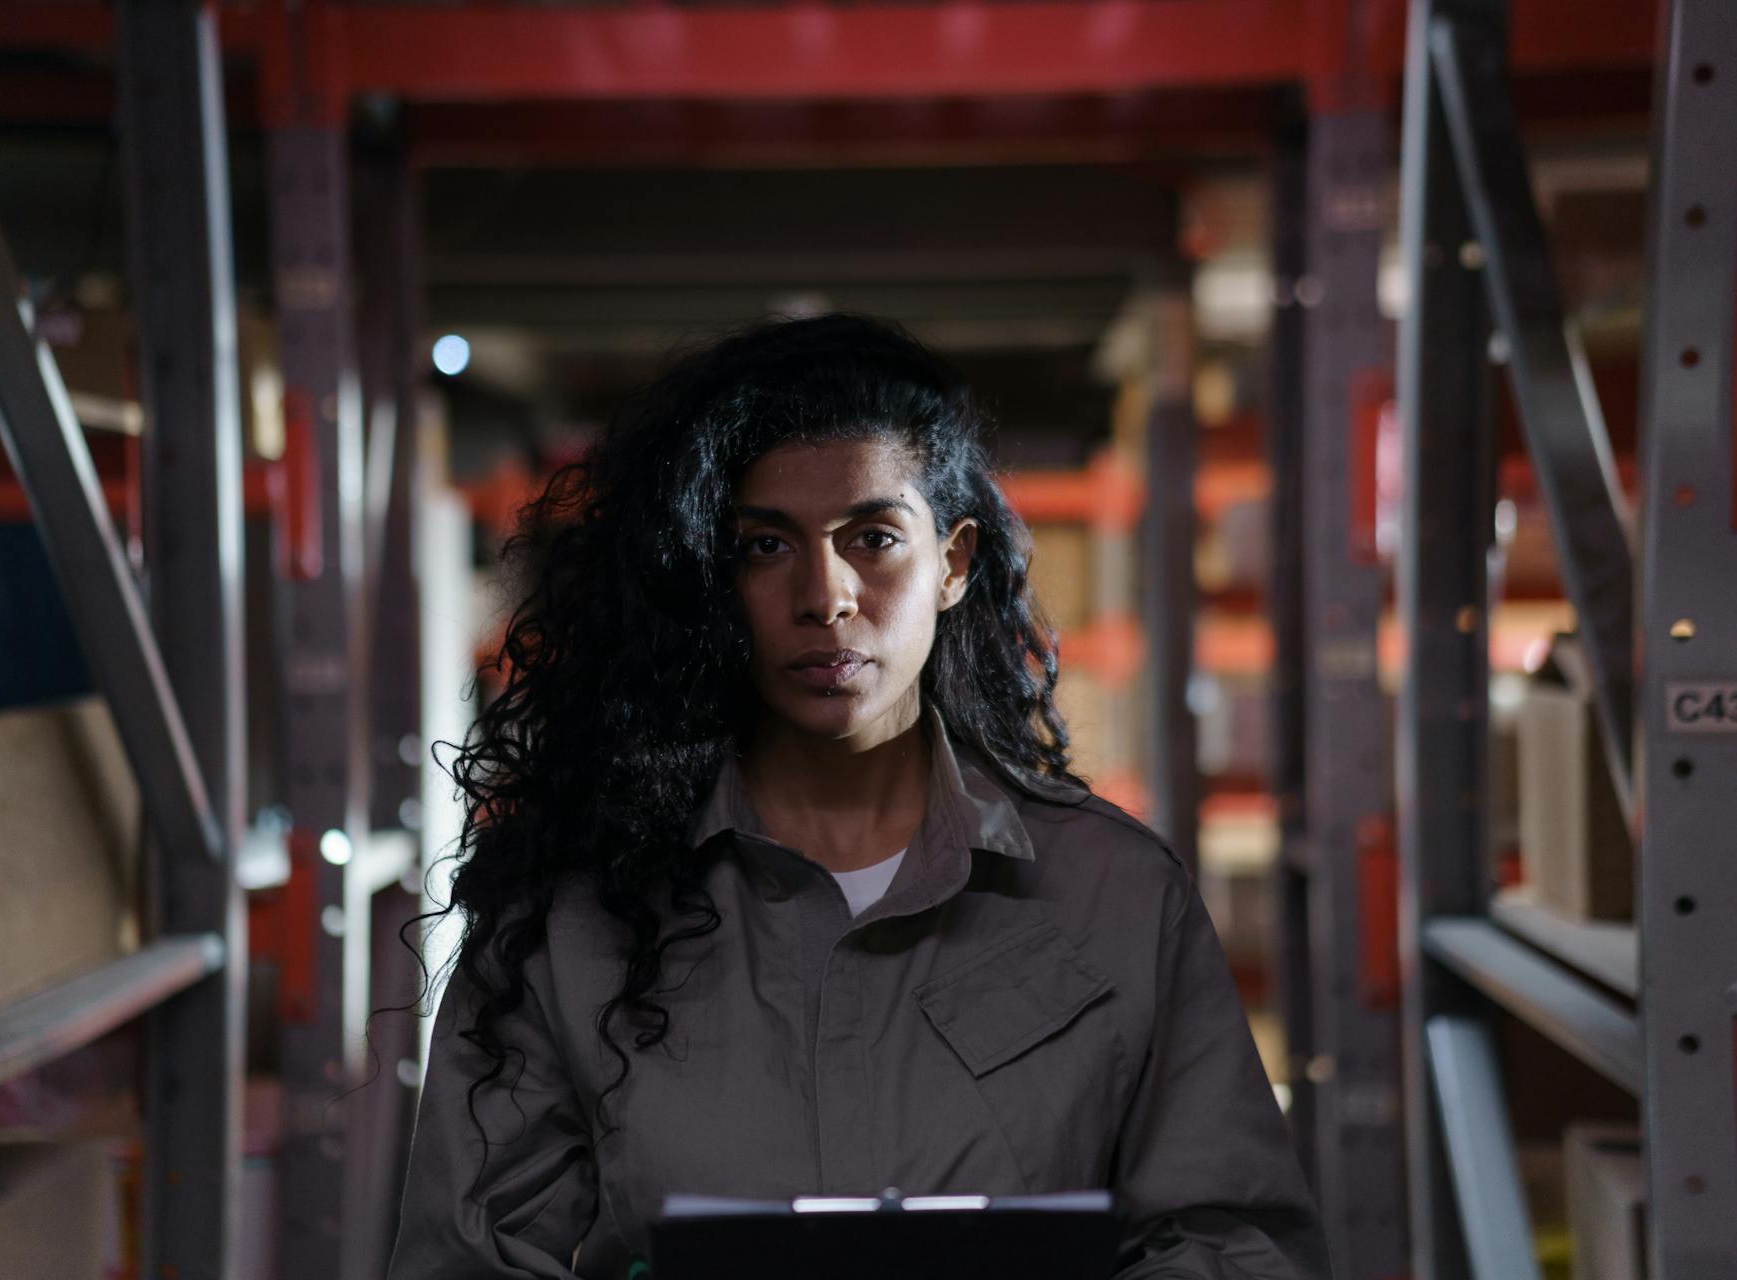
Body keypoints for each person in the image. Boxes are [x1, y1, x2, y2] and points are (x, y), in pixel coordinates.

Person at [388, 315, 1329, 1279]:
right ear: (711, 579)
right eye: (764, 546)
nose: (825, 593)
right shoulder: (577, 918)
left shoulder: (1116, 896)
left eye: (874, 537)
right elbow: (468, 1260)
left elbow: (1234, 1244)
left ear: (953, 565)